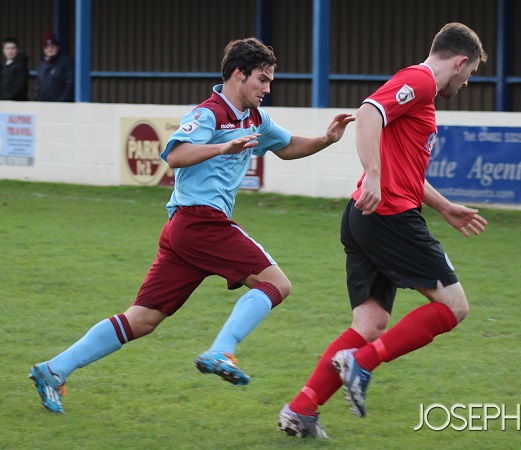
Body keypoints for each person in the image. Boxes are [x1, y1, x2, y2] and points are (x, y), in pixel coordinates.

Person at [28, 37, 355, 413]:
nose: (267, 88)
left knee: (143, 319)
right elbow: (176, 155)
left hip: (185, 231)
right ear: (239, 74)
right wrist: (222, 147)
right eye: (262, 80)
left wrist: (327, 139)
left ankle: (53, 369)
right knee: (277, 284)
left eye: (269, 81)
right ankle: (221, 351)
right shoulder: (209, 114)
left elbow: (288, 146)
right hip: (201, 221)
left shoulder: (255, 118)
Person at [278, 22, 489, 439]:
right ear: (460, 62)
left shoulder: (422, 95)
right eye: (470, 73)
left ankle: (301, 409)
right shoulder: (421, 81)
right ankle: (363, 362)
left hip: (365, 218)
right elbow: (369, 112)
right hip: (390, 216)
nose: (467, 82)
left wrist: (445, 206)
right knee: (454, 307)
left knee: (370, 324)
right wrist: (373, 173)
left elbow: (406, 168)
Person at [35, 31, 74, 102]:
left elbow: (70, 83)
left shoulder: (65, 62)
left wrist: (62, 100)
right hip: (44, 103)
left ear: (57, 47)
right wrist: (39, 98)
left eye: (52, 47)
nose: (49, 50)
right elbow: (38, 84)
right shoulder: (42, 63)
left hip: (60, 104)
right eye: (46, 47)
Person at [0, 36, 29, 101]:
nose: (10, 51)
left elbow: (20, 86)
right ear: (3, 50)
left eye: (13, 48)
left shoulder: (21, 66)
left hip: (16, 102)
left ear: (17, 50)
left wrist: (5, 98)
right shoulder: (4, 66)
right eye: (7, 48)